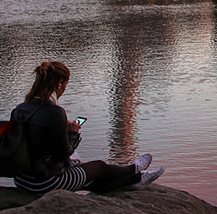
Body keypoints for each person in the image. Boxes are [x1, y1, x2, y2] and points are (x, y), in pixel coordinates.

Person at [12, 61, 164, 193]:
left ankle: (134, 181)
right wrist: (73, 134)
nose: (64, 89)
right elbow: (62, 155)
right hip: (43, 183)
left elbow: (34, 140)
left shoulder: (21, 108)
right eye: (65, 85)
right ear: (59, 83)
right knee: (98, 167)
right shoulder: (55, 112)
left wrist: (59, 131)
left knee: (87, 177)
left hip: (22, 179)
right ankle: (135, 171)